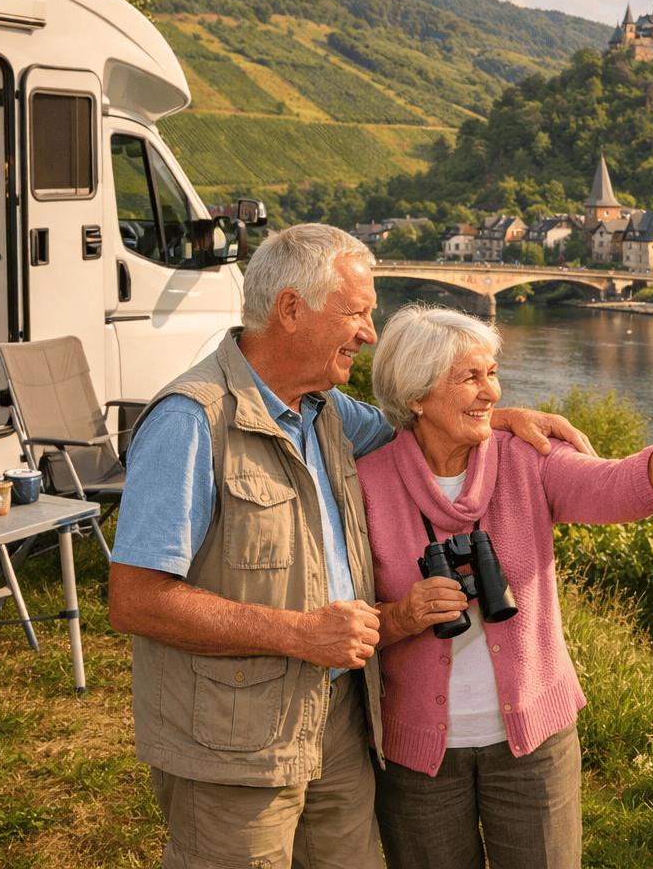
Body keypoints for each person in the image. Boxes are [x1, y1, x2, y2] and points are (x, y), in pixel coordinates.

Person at [107, 224, 593, 869]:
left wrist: (496, 415)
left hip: (340, 719)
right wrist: (299, 634)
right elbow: (136, 602)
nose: (369, 332)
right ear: (290, 310)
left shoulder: (329, 411)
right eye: (357, 313)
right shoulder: (191, 422)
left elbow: (413, 423)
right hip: (233, 735)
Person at [357, 304, 653, 869]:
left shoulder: (524, 458)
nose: (490, 391)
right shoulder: (366, 483)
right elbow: (341, 613)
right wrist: (402, 615)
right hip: (418, 755)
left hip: (534, 741)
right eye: (469, 377)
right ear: (416, 395)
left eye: (492, 373)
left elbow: (613, 487)